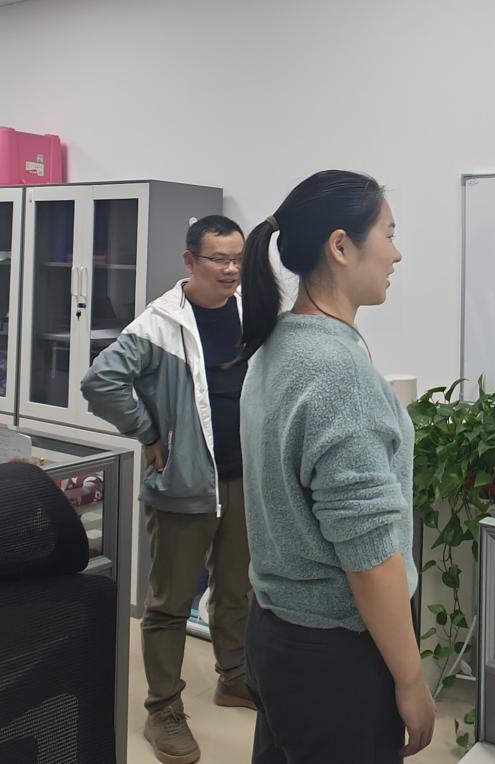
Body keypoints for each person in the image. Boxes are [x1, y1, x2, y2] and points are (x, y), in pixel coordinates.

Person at [237, 170, 434, 763]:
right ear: (341, 246)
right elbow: (370, 558)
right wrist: (410, 679)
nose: (397, 254)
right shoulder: (336, 374)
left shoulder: (279, 344)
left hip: (277, 630)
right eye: (389, 235)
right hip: (336, 652)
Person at [81, 215, 253, 764]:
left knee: (236, 589)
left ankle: (234, 677)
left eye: (238, 259)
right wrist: (149, 432)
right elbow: (100, 382)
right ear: (190, 261)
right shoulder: (160, 324)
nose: (230, 270)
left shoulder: (248, 313)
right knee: (169, 604)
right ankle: (163, 710)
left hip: (241, 480)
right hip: (182, 484)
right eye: (218, 259)